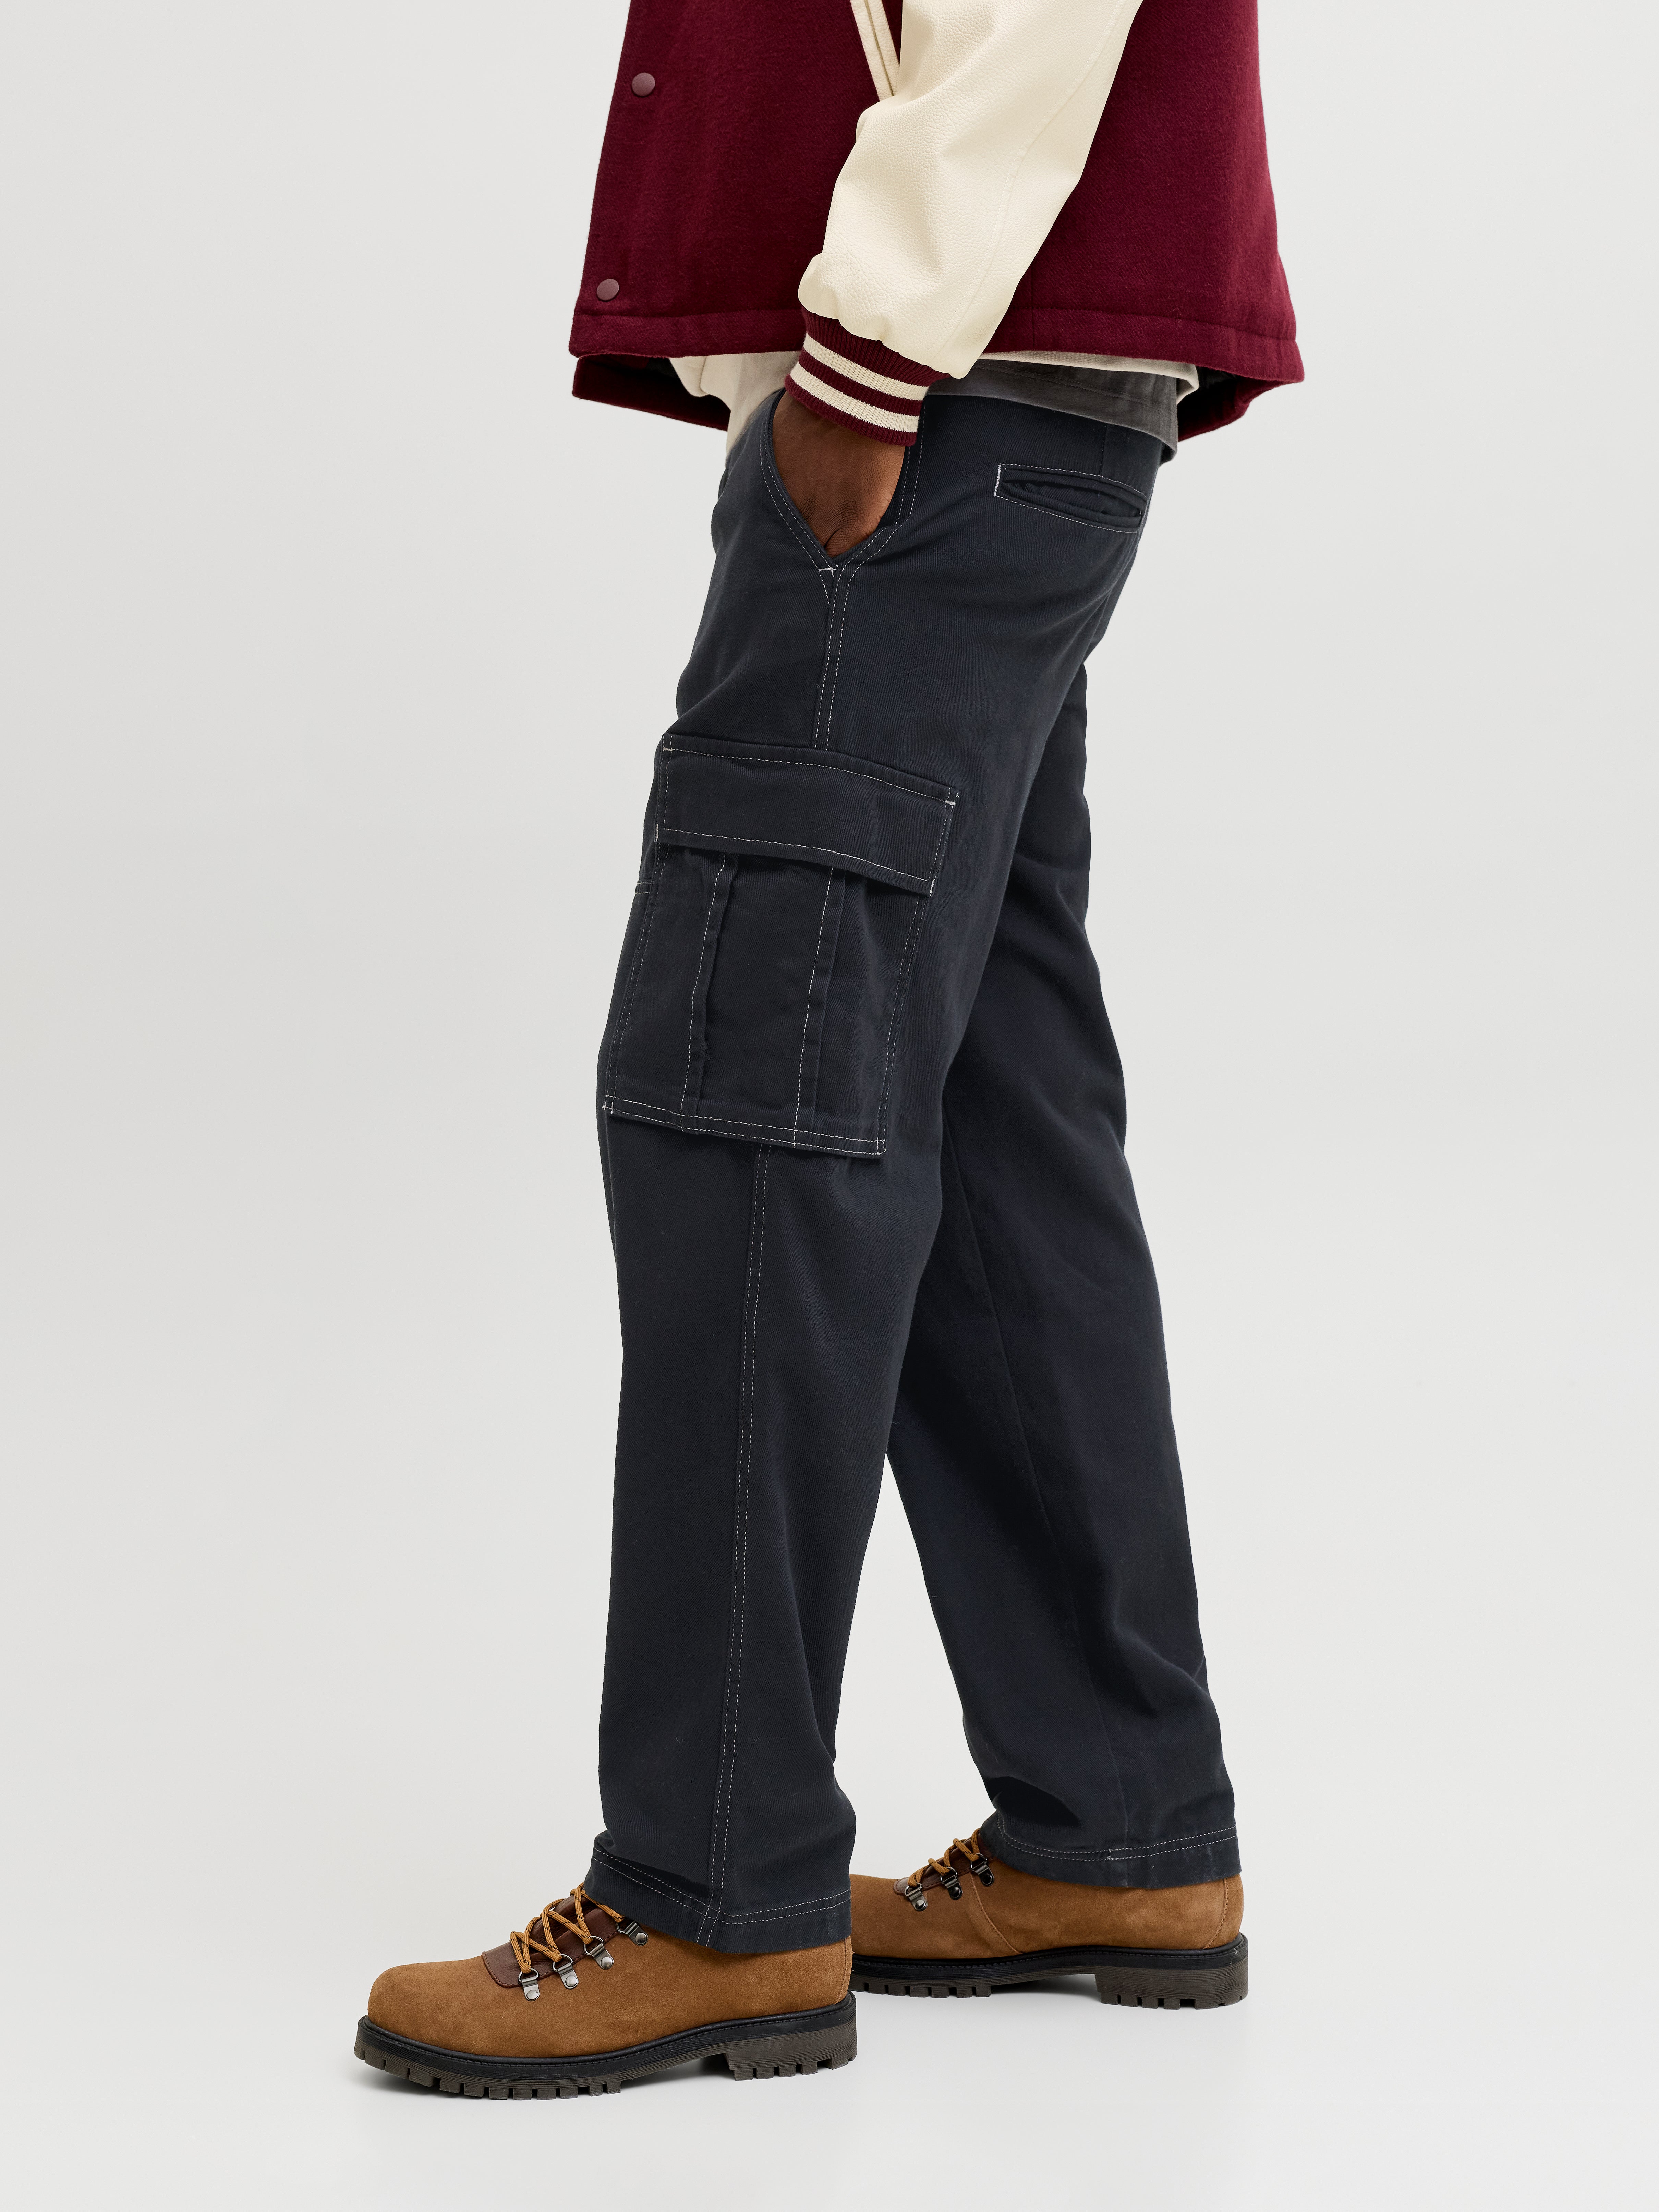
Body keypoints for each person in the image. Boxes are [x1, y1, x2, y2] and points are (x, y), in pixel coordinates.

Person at [356, 0, 1299, 2097]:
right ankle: (1116, 1821)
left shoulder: (902, 385)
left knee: (749, 1109)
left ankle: (712, 1889)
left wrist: (865, 359)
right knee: (988, 1121)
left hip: (932, 404)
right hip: (1004, 410)